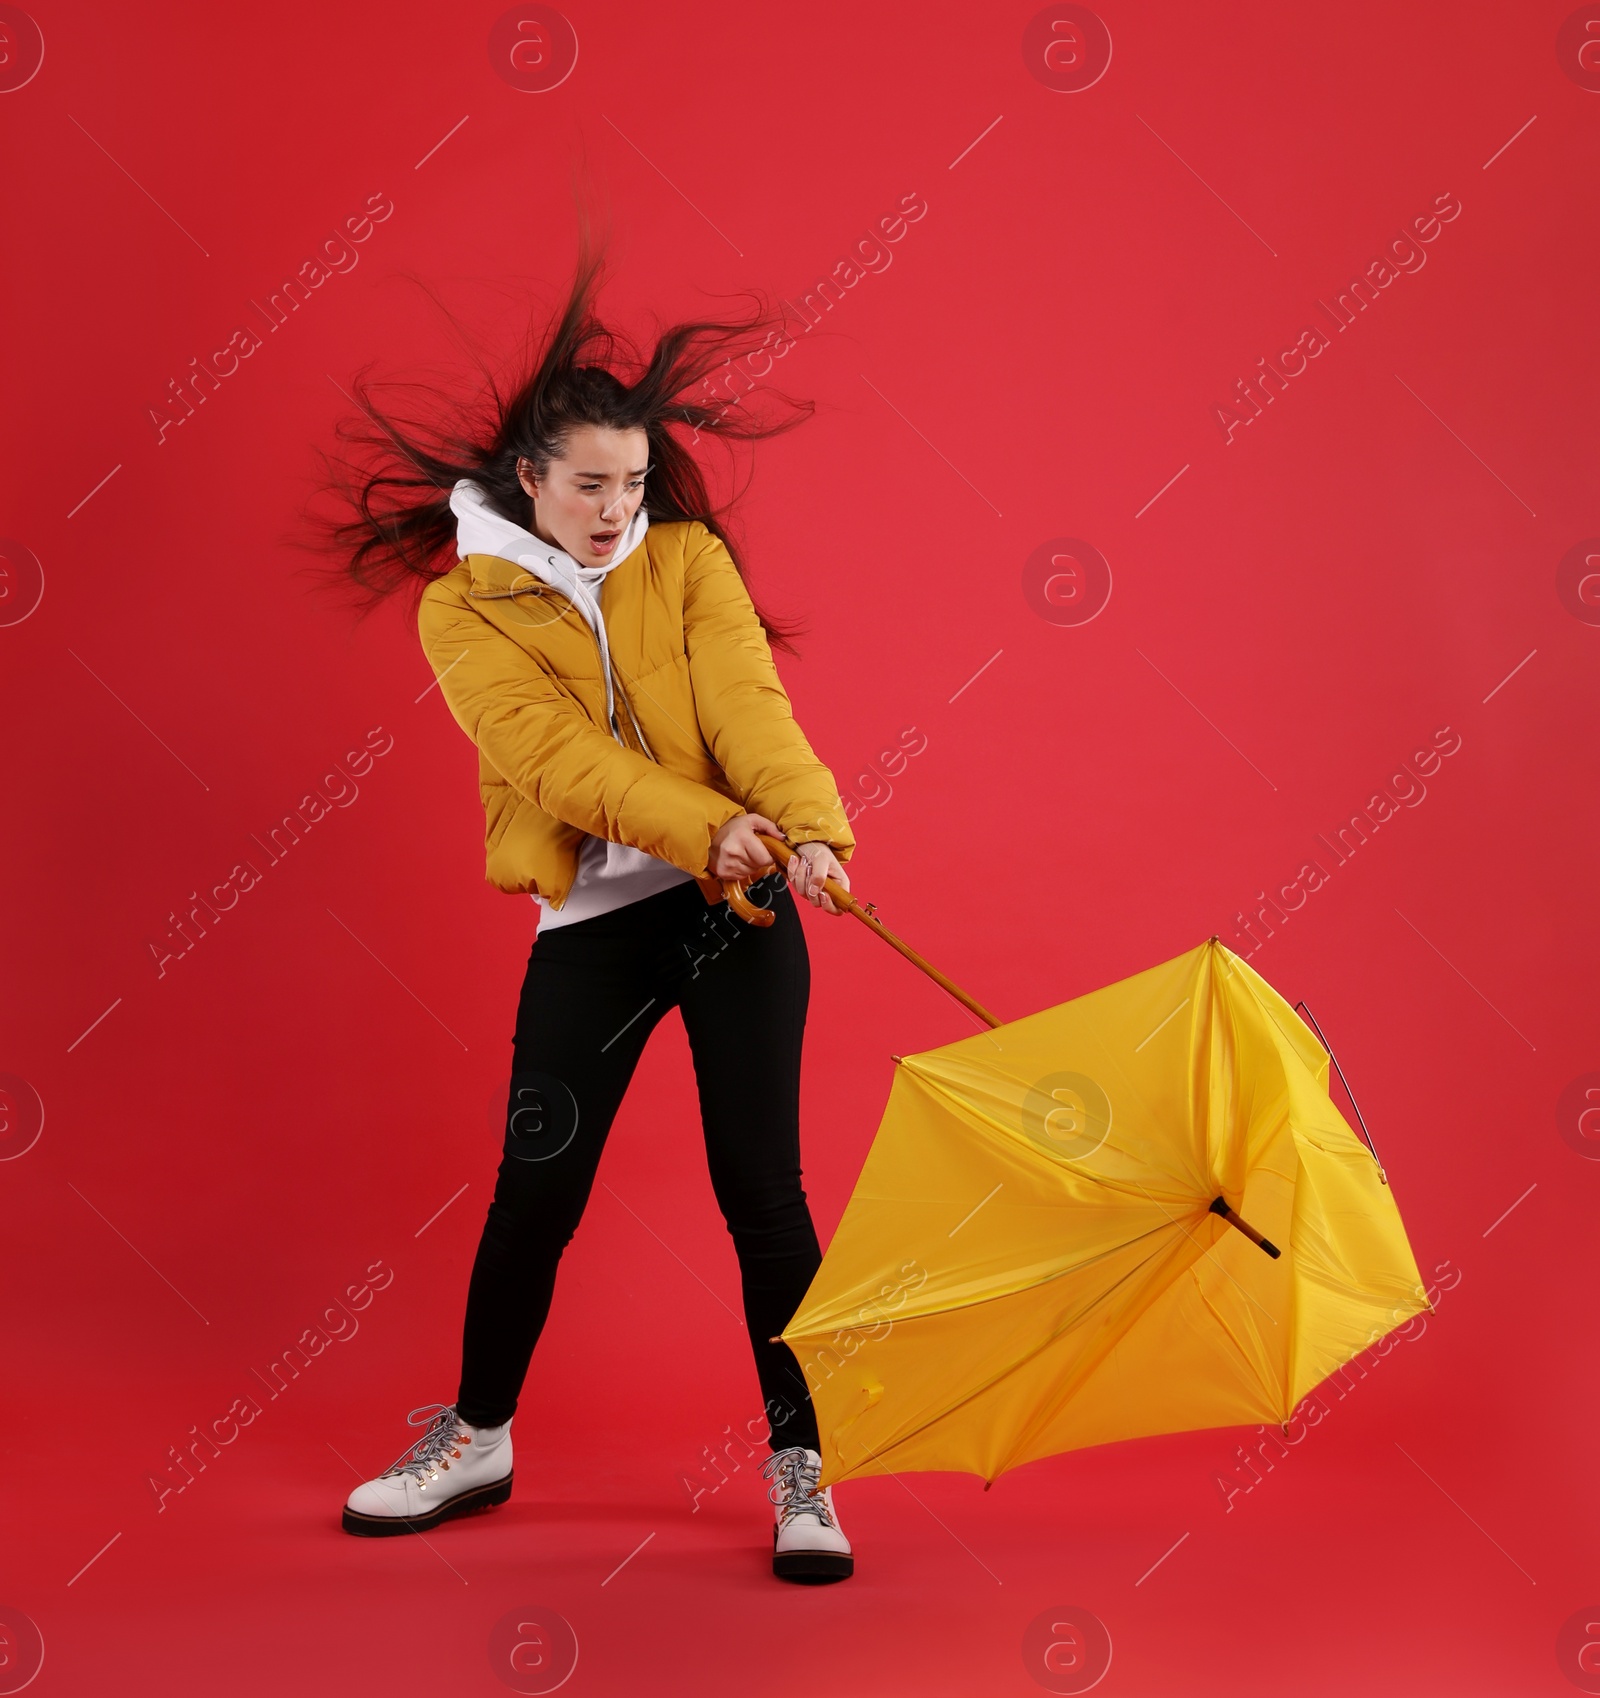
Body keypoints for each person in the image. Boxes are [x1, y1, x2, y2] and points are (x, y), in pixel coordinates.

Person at [313, 236, 857, 1582]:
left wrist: (809, 826)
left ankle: (805, 1466)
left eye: (632, 483)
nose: (617, 510)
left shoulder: (686, 563)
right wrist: (702, 821)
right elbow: (559, 763)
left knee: (764, 1194)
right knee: (536, 1187)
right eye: (591, 487)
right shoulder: (465, 613)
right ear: (531, 481)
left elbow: (749, 710)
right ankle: (479, 1435)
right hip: (598, 926)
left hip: (736, 906)